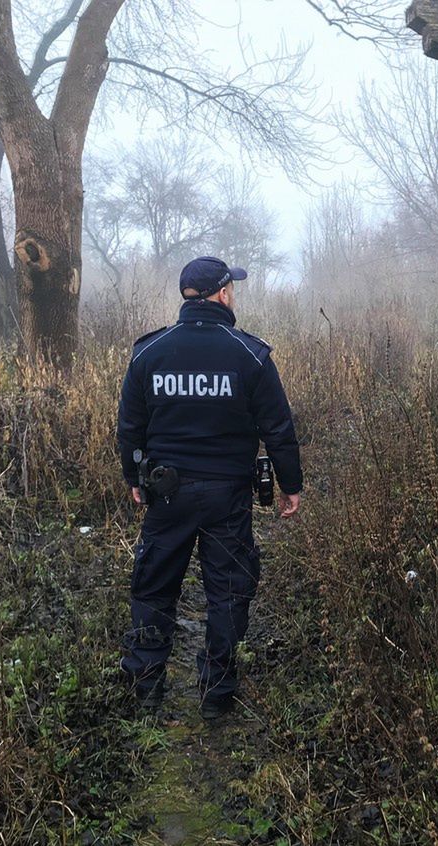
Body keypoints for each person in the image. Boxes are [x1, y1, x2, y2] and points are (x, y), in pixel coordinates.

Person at [116, 256, 302, 719]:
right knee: (228, 591)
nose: (233, 294)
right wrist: (290, 485)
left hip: (166, 494)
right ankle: (217, 693)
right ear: (222, 294)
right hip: (227, 496)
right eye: (231, 288)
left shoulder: (148, 353)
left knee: (154, 589)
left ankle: (147, 686)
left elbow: (130, 427)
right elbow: (278, 429)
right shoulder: (250, 355)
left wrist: (132, 476)